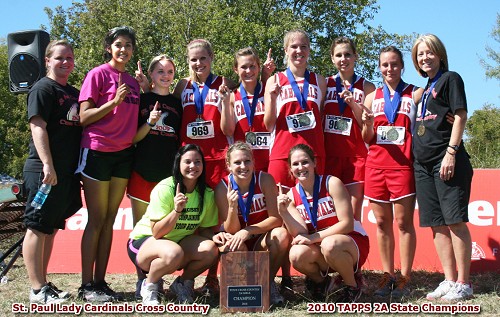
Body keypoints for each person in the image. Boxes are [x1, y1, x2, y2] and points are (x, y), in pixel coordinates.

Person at [76, 26, 140, 302]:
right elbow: (83, 117)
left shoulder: (135, 82)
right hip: (98, 151)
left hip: (123, 155)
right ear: (109, 48)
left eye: (128, 45)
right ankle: (86, 285)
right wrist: (113, 102)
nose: (123, 49)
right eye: (118, 44)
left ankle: (101, 282)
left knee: (110, 220)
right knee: (97, 219)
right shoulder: (97, 74)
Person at [411, 34, 474, 302]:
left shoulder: (451, 79)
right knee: (436, 225)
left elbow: (460, 115)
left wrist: (451, 152)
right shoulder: (424, 89)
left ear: (440, 54)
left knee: (455, 221)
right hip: (422, 164)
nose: (425, 57)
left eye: (429, 53)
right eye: (420, 54)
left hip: (446, 160)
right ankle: (449, 280)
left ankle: (464, 283)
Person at [22, 40, 82, 304]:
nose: (66, 62)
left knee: (50, 228)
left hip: (66, 173)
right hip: (44, 170)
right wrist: (48, 164)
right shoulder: (42, 88)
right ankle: (36, 290)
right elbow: (38, 127)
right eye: (59, 58)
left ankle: (44, 283)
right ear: (47, 60)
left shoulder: (74, 92)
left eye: (69, 57)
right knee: (36, 226)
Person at [361, 46, 423, 299]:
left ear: (402, 66)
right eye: (385, 65)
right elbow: (367, 137)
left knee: (403, 223)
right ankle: (387, 275)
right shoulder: (371, 97)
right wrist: (366, 124)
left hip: (402, 166)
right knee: (383, 223)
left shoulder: (415, 94)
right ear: (379, 67)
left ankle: (405, 276)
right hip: (375, 166)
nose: (390, 69)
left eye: (394, 64)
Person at [127, 144, 219, 304]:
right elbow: (157, 232)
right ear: (179, 164)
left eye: (198, 162)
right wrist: (176, 211)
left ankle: (183, 284)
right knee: (173, 253)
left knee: (211, 250)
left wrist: (219, 238)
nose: (193, 166)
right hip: (145, 242)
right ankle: (149, 286)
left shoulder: (207, 193)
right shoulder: (165, 188)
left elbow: (204, 230)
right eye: (188, 162)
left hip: (176, 244)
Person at [277, 144, 369, 303]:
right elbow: (301, 233)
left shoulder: (331, 183)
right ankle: (323, 283)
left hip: (349, 242)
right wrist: (284, 213)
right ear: (290, 169)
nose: (301, 167)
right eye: (295, 164)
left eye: (305, 162)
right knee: (296, 254)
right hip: (322, 246)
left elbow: (346, 224)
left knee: (330, 244)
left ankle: (352, 286)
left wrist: (313, 238)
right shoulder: (291, 195)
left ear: (314, 164)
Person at [127, 55, 182, 300]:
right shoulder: (142, 99)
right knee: (142, 232)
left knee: (162, 231)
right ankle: (143, 279)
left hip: (167, 177)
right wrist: (149, 123)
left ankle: (155, 278)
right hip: (142, 172)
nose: (165, 75)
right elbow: (134, 138)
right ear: (151, 74)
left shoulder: (178, 103)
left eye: (169, 71)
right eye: (160, 71)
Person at [214, 142, 290, 305]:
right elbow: (231, 229)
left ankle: (267, 283)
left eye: (247, 161)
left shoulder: (265, 179)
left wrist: (248, 230)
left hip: (260, 239)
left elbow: (276, 219)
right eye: (237, 162)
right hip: (238, 241)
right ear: (228, 165)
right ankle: (244, 288)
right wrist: (233, 208)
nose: (243, 166)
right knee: (230, 245)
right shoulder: (222, 188)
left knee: (281, 235)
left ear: (253, 161)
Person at [264, 29, 326, 190]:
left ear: (309, 49)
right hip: (282, 154)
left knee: (314, 206)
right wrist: (271, 97)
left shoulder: (319, 81)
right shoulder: (274, 81)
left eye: (304, 46)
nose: (299, 51)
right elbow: (268, 125)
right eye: (294, 47)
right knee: (281, 207)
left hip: (313, 155)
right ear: (286, 50)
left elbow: (320, 117)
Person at [323, 37, 375, 222]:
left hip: (356, 157)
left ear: (355, 57)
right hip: (329, 156)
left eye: (347, 54)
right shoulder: (325, 83)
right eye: (339, 55)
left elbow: (366, 125)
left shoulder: (367, 87)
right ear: (332, 58)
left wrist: (353, 104)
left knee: (352, 216)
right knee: (329, 217)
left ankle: (354, 250)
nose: (343, 59)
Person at [173, 39, 232, 189]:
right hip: (189, 158)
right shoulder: (182, 85)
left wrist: (265, 76)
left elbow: (249, 90)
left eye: (203, 58)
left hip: (217, 156)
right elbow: (169, 108)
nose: (198, 63)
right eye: (193, 59)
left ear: (211, 57)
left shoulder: (225, 82)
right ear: (188, 61)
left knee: (219, 203)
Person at [220, 47, 275, 172]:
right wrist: (225, 102)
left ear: (259, 67)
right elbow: (228, 131)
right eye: (243, 67)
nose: (248, 70)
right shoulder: (232, 97)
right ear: (236, 69)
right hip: (243, 164)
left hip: (270, 160)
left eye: (252, 66)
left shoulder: (268, 91)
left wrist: (266, 75)